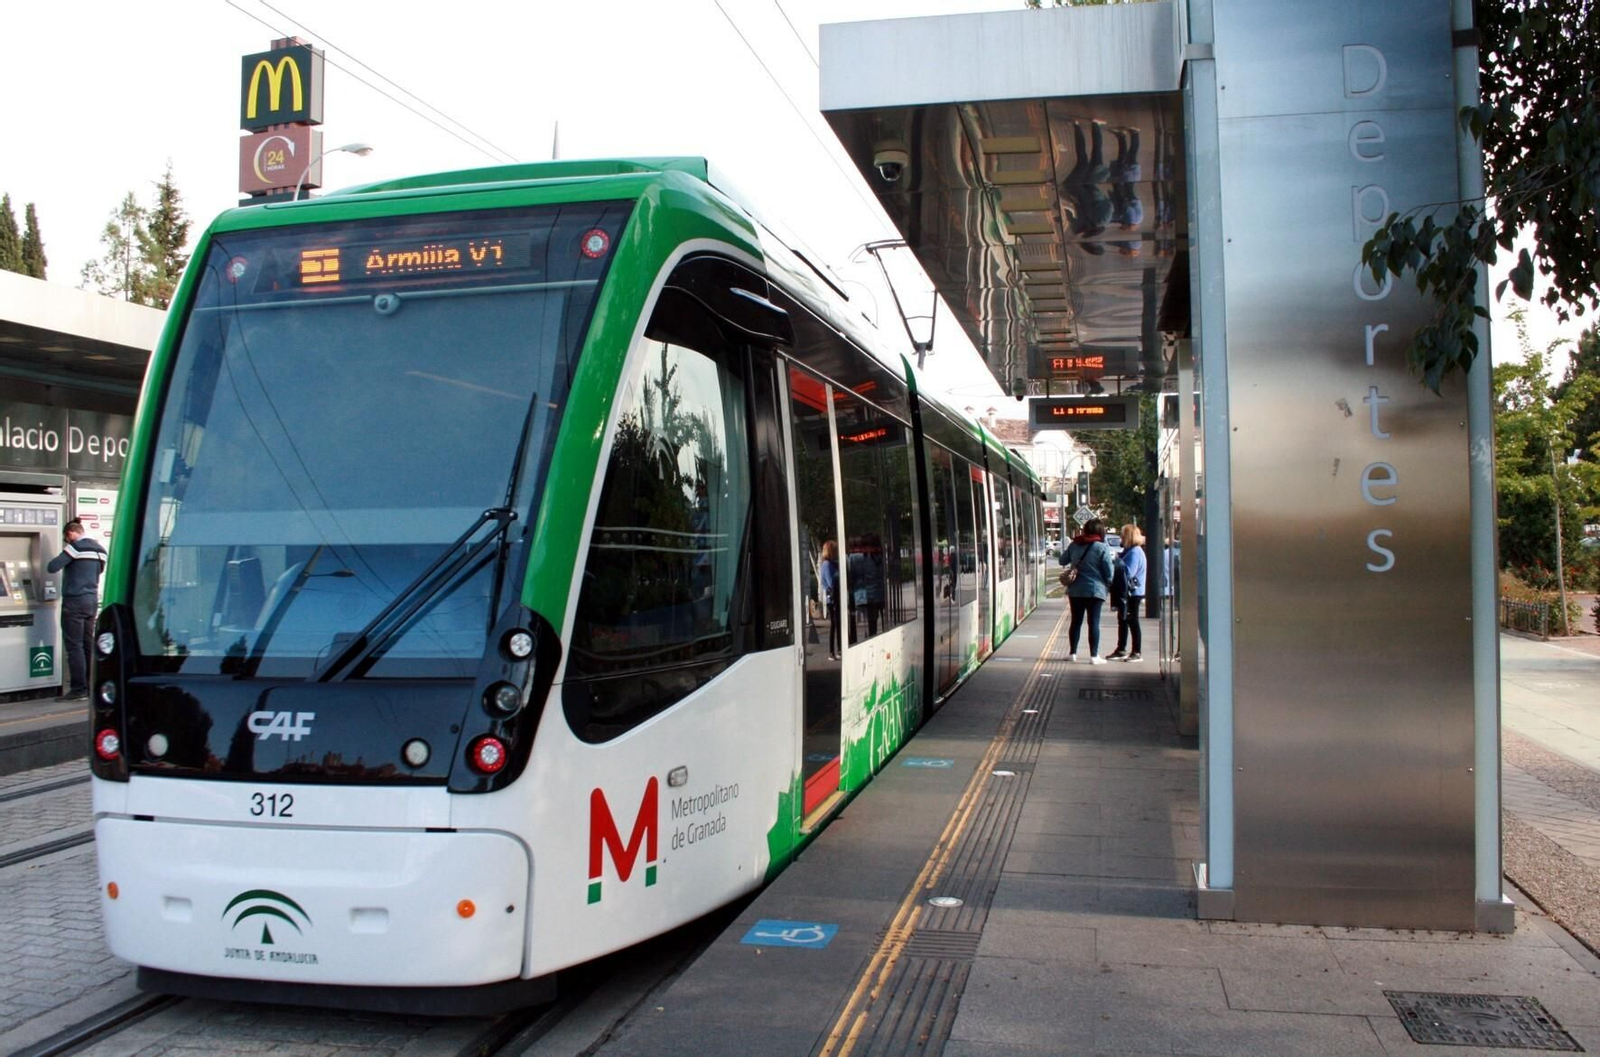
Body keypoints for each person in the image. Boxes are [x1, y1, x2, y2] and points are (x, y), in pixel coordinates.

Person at [47, 518, 106, 700]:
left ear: (71, 533)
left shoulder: (76, 547)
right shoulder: (100, 550)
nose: (67, 541)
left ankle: (78, 689)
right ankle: (90, 687)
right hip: (91, 601)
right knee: (88, 645)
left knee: (74, 646)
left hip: (74, 601)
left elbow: (52, 567)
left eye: (66, 538)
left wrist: (68, 551)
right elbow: (98, 571)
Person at [1060, 517, 1115, 663]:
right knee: (1094, 622)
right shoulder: (1102, 547)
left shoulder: (1075, 544)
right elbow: (1109, 571)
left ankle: (1072, 653)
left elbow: (1062, 560)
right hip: (1095, 591)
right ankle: (1094, 656)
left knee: (1075, 621)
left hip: (1076, 590)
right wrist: (1109, 583)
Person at [1108, 524, 1147, 662]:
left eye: (1122, 535)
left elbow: (1128, 572)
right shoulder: (1129, 551)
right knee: (1123, 620)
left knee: (1132, 620)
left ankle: (1136, 651)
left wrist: (1117, 564)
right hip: (1128, 591)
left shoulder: (1134, 552)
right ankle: (1121, 648)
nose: (1120, 537)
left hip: (1132, 592)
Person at [819, 540, 840, 660]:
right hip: (832, 599)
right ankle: (832, 652)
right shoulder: (827, 565)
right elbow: (832, 582)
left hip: (833, 597)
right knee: (834, 624)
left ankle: (838, 649)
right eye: (835, 550)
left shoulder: (831, 564)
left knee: (836, 624)